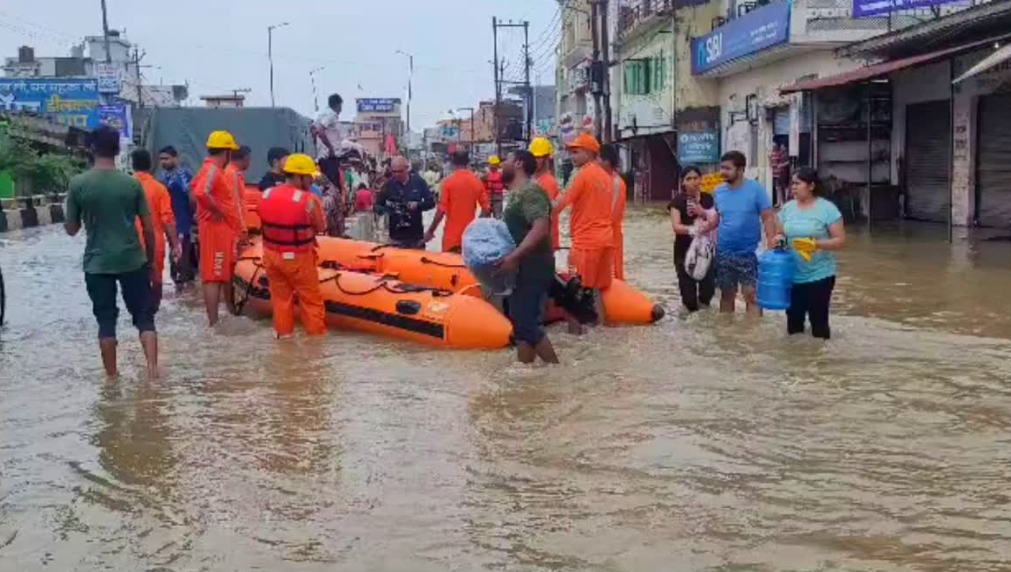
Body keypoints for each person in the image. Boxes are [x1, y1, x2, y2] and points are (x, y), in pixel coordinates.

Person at [64, 126, 159, 379]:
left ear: (92, 148)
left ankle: (112, 377)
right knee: (144, 316)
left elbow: (71, 229)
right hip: (132, 259)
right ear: (118, 150)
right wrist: (150, 260)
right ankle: (152, 371)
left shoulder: (78, 184)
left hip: (97, 263)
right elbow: (149, 229)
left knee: (106, 321)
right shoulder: (131, 183)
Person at [496, 150, 559, 364]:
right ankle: (525, 371)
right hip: (520, 267)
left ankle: (556, 370)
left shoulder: (531, 192)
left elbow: (541, 227)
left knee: (527, 324)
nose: (503, 163)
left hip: (533, 266)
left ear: (519, 164)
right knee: (521, 323)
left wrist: (514, 256)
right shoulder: (515, 194)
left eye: (507, 159)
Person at [258, 154, 328, 338]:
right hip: (299, 258)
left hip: (272, 257)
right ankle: (315, 346)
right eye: (309, 177)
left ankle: (284, 340)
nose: (312, 180)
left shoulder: (266, 194)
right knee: (311, 302)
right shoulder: (310, 200)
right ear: (299, 177)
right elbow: (321, 227)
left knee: (281, 302)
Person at [773, 167, 846, 339]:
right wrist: (779, 240)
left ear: (811, 186)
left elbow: (840, 241)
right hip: (792, 275)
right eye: (792, 184)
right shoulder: (787, 208)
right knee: (793, 324)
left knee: (819, 325)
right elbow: (780, 232)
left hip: (820, 275)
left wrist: (816, 245)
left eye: (798, 183)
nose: (793, 187)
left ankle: (820, 362)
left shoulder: (828, 209)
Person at [553, 133, 614, 332]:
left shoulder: (580, 173)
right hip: (606, 241)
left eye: (576, 151)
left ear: (589, 152)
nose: (572, 156)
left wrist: (539, 217)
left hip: (585, 243)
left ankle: (576, 342)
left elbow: (562, 201)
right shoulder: (606, 177)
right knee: (597, 292)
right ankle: (602, 334)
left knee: (574, 294)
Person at [705, 151, 778, 315]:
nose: (723, 171)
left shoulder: (756, 190)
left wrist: (771, 244)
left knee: (751, 295)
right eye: (721, 167)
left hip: (750, 252)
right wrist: (703, 228)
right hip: (724, 252)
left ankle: (753, 335)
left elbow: (768, 218)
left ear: (741, 169)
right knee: (726, 295)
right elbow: (717, 218)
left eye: (727, 168)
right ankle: (727, 335)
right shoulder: (718, 192)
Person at [192, 130, 245, 326]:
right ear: (226, 152)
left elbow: (195, 191)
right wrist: (216, 211)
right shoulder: (212, 169)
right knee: (213, 276)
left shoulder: (211, 169)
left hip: (220, 229)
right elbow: (200, 193)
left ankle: (224, 315)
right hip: (215, 228)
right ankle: (213, 323)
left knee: (219, 273)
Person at [132, 149, 181, 314]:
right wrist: (175, 245)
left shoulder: (125, 187)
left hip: (129, 243)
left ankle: (139, 315)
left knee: (134, 281)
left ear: (132, 165)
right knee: (156, 280)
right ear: (151, 165)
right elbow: (168, 219)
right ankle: (152, 316)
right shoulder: (159, 189)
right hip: (154, 243)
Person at [669, 166, 716, 312]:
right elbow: (676, 226)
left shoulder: (708, 199)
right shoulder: (677, 201)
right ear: (683, 182)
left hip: (705, 251)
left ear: (700, 180)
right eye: (688, 179)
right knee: (689, 299)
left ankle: (704, 324)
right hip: (684, 252)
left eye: (696, 178)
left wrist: (705, 222)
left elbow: (715, 220)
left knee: (707, 293)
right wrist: (692, 229)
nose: (693, 182)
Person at [424, 149, 490, 252]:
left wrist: (430, 231)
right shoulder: (476, 182)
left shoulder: (448, 182)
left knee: (449, 266)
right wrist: (477, 226)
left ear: (452, 163)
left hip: (451, 239)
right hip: (469, 238)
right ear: (468, 163)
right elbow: (486, 209)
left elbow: (441, 211)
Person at [375, 155, 435, 249]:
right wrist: (388, 210)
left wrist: (418, 205)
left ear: (407, 168)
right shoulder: (389, 185)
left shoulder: (419, 182)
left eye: (400, 171)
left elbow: (431, 203)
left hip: (416, 238)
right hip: (396, 238)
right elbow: (377, 205)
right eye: (394, 172)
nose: (397, 174)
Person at [158, 146, 197, 288]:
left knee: (179, 259)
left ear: (176, 158)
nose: (163, 162)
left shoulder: (183, 175)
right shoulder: (163, 177)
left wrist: (191, 216)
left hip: (182, 223)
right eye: (161, 159)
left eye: (166, 158)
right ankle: (184, 293)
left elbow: (192, 198)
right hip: (170, 224)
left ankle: (184, 294)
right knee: (176, 258)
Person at [599, 144, 627, 280]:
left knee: (613, 277)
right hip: (605, 238)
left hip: (610, 239)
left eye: (598, 158)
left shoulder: (615, 183)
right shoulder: (604, 181)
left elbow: (611, 216)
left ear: (606, 161)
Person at [529, 137, 561, 251]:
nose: (535, 161)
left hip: (544, 242)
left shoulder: (548, 182)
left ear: (547, 158)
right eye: (533, 157)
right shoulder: (534, 180)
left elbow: (542, 215)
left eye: (538, 157)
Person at [312, 93, 344, 185]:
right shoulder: (331, 115)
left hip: (322, 156)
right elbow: (320, 130)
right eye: (341, 106)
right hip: (330, 158)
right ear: (338, 105)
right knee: (332, 186)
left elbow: (313, 130)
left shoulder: (321, 114)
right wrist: (330, 148)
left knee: (324, 186)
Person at [226, 145, 251, 238]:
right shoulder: (232, 174)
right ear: (245, 158)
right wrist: (242, 227)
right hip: (234, 228)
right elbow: (235, 203)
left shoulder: (234, 173)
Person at [770, 140, 790, 207]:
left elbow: (787, 162)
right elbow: (772, 162)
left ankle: (783, 202)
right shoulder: (777, 154)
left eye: (782, 146)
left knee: (782, 187)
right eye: (773, 146)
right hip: (775, 173)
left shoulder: (781, 154)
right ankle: (779, 202)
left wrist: (781, 165)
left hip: (781, 173)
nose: (781, 147)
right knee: (778, 188)